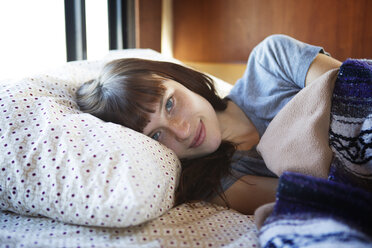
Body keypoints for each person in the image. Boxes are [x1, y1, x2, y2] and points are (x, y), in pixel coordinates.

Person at [76, 34, 343, 215]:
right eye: (157, 136)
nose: (182, 131)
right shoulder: (217, 182)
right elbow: (326, 199)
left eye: (170, 103)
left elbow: (358, 91)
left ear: (179, 78)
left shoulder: (271, 61)